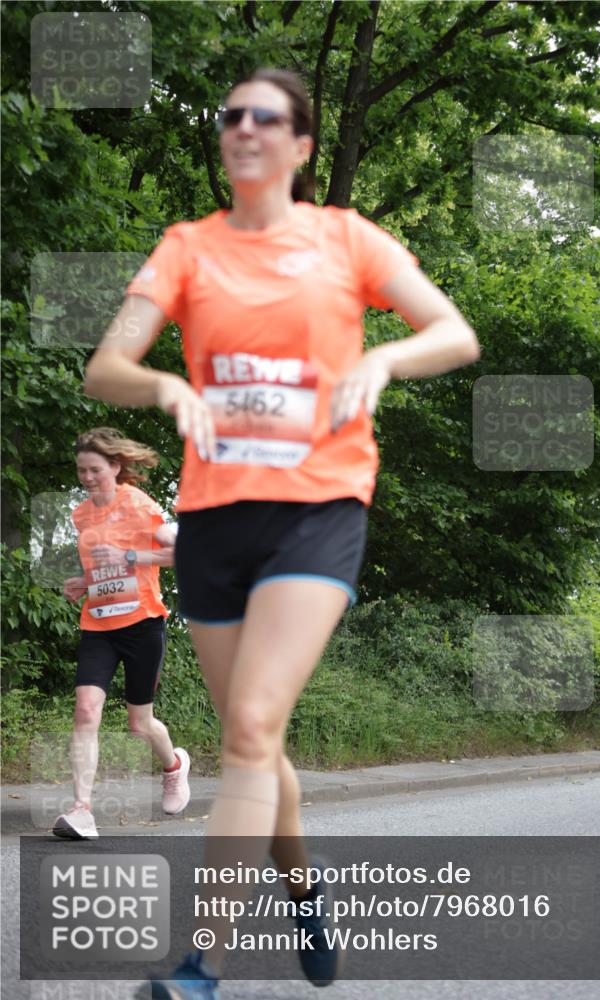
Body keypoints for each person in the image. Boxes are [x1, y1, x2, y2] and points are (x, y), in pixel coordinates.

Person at [84, 68, 480, 997]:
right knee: (251, 739)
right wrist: (166, 385)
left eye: (266, 118)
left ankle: (202, 964)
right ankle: (303, 890)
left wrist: (384, 357)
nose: (244, 128)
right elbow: (107, 367)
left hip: (320, 508)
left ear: (301, 146)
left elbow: (451, 333)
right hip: (217, 519)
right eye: (231, 117)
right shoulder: (186, 249)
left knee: (256, 725)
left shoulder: (347, 240)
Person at [54, 427, 191, 839]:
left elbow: (179, 551)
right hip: (99, 624)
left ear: (115, 467)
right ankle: (82, 811)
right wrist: (83, 581)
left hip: (142, 625)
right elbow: (102, 566)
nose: (88, 477)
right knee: (85, 710)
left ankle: (174, 766)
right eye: (82, 470)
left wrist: (129, 555)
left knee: (139, 723)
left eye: (95, 469)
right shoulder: (81, 514)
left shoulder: (137, 503)